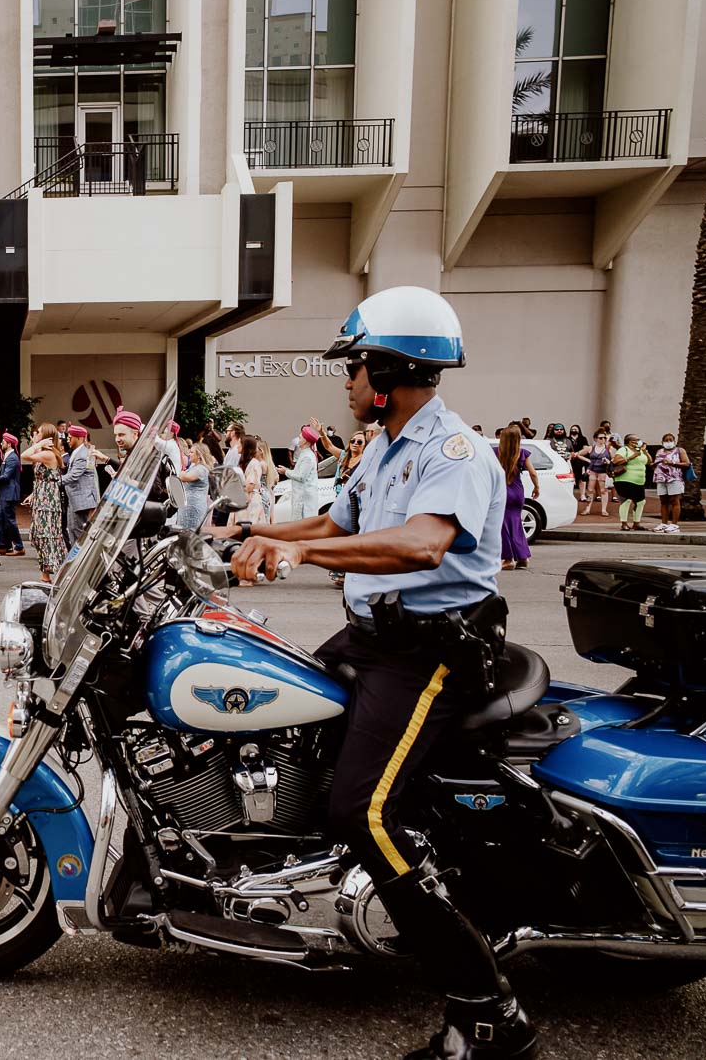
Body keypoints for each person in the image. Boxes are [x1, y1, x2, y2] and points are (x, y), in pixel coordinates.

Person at [213, 286, 535, 1060]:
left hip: (430, 652)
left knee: (365, 812)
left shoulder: (449, 449)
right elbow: (336, 522)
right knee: (284, 729)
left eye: (355, 365)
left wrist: (298, 552)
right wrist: (249, 527)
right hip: (371, 637)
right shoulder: (386, 444)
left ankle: (488, 1007)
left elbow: (423, 543)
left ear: (390, 369)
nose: (347, 379)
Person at [20, 423, 66, 580]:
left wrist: (38, 444)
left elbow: (24, 456)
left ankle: (53, 572)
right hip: (42, 496)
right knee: (40, 535)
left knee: (46, 535)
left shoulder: (49, 454)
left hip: (48, 501)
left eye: (38, 432)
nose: (35, 434)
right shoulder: (46, 453)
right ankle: (46, 573)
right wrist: (34, 494)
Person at [498, 425, 538, 570]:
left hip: (503, 491)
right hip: (517, 491)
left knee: (503, 525)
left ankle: (508, 559)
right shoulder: (522, 453)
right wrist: (536, 487)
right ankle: (522, 557)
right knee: (516, 524)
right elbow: (533, 473)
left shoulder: (496, 452)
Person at [61, 424, 99, 545]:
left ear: (79, 438)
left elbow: (73, 475)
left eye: (70, 437)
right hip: (76, 499)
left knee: (77, 533)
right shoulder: (78, 452)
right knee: (73, 531)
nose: (67, 440)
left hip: (81, 500)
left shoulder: (82, 454)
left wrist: (54, 481)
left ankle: (79, 561)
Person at [651, 432, 691, 534]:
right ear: (662, 442)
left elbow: (687, 463)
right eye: (666, 440)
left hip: (674, 478)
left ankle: (674, 524)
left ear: (674, 441)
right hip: (661, 478)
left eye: (670, 440)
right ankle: (664, 523)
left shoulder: (680, 451)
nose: (668, 442)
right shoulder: (659, 451)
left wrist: (672, 463)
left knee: (674, 500)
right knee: (663, 501)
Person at [0, 432, 24, 555]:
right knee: (0, 519)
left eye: (4, 442)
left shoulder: (12, 458)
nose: (1, 444)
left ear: (9, 443)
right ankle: (2, 545)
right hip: (5, 492)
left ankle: (19, 546)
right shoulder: (8, 457)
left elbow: (6, 477)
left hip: (10, 493)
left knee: (10, 520)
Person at [612, 433, 651, 532]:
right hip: (624, 480)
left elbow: (649, 462)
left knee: (641, 502)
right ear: (630, 442)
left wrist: (645, 452)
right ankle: (624, 523)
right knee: (627, 500)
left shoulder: (640, 451)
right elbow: (616, 461)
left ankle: (636, 523)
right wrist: (631, 457)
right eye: (637, 439)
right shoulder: (623, 450)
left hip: (639, 481)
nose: (639, 441)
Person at [173, 437, 213, 533]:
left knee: (189, 533)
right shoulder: (195, 466)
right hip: (188, 505)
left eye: (191, 452)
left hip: (193, 507)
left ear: (199, 455)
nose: (189, 454)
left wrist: (181, 473)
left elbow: (185, 477)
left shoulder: (201, 469)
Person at [283, 428, 320, 521]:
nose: (298, 440)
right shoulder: (305, 454)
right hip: (302, 496)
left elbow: (301, 477)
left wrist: (285, 471)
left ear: (305, 441)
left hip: (304, 498)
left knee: (302, 524)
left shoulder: (307, 456)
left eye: (300, 438)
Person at [579, 428, 614, 517]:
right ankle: (587, 509)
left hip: (603, 471)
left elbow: (614, 459)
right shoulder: (591, 448)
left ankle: (604, 509)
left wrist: (608, 461)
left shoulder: (608, 448)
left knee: (603, 490)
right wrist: (588, 460)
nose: (603, 440)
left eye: (604, 438)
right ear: (595, 439)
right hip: (593, 470)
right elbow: (578, 454)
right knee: (590, 490)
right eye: (600, 438)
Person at [234, 435, 267, 524]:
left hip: (251, 500)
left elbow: (250, 486)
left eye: (239, 444)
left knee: (249, 526)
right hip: (243, 499)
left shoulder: (254, 464)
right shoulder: (244, 463)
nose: (237, 446)